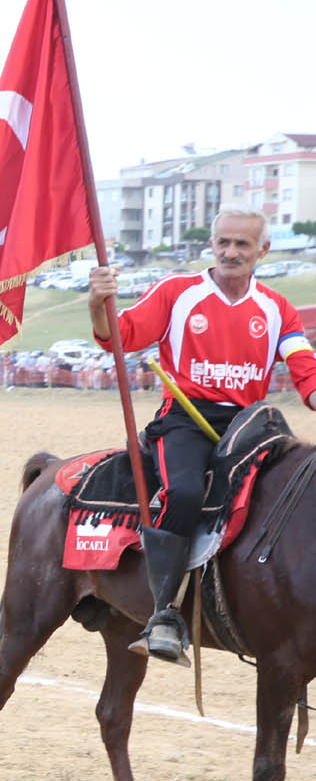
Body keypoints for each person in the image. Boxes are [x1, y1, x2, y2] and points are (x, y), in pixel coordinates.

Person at [89, 206, 316, 664]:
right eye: (224, 243)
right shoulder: (177, 293)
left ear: (263, 251)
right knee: (186, 492)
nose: (231, 252)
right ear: (211, 245)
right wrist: (98, 304)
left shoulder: (278, 309)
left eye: (242, 245)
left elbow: (305, 371)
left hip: (251, 424)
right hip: (186, 420)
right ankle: (164, 615)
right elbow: (121, 336)